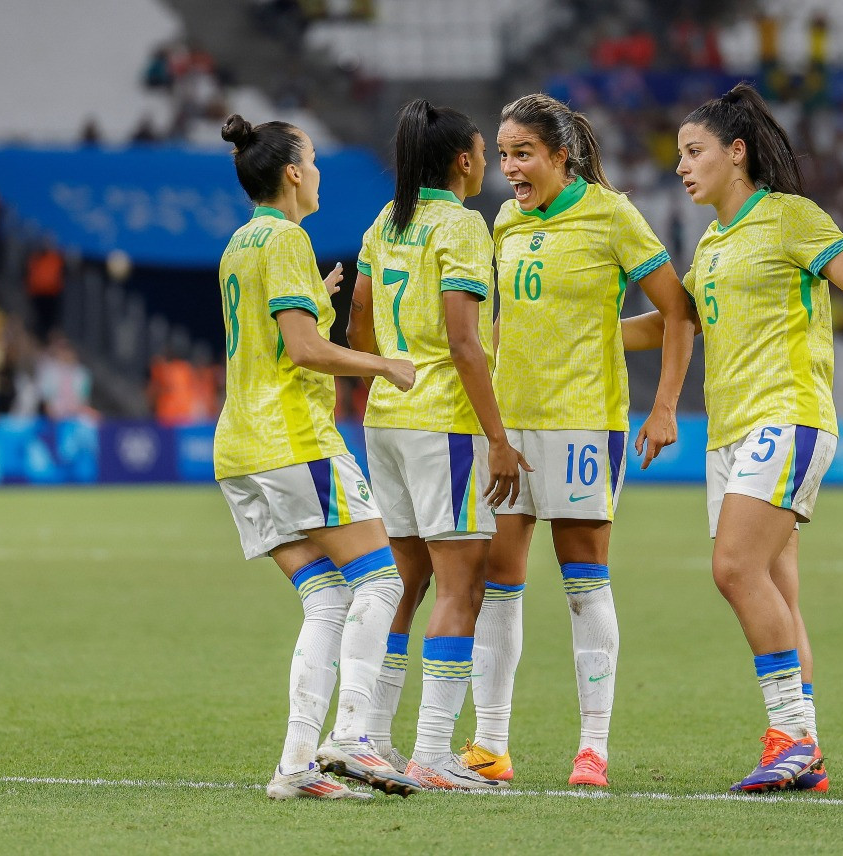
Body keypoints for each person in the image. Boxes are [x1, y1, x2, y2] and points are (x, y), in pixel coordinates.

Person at [624, 82, 843, 793]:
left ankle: (789, 737)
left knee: (733, 569)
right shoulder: (711, 244)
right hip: (729, 433)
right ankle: (807, 751)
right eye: (678, 154)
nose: (680, 166)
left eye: (693, 151)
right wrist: (582, 337)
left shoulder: (791, 218)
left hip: (786, 416)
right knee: (778, 593)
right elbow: (672, 325)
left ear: (736, 154)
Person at [461, 93, 696, 788]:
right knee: (494, 582)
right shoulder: (504, 220)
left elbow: (676, 311)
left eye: (523, 154)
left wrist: (662, 407)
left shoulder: (610, 215)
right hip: (509, 425)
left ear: (562, 156)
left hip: (583, 422)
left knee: (581, 581)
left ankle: (592, 746)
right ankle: (490, 744)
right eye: (502, 155)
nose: (509, 170)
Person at [214, 113, 421, 801]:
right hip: (293, 441)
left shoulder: (242, 243)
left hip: (241, 451)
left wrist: (318, 303)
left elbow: (276, 337)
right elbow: (304, 351)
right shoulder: (286, 239)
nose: (321, 170)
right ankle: (354, 735)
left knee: (328, 599)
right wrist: (381, 364)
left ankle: (296, 767)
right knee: (382, 580)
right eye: (314, 159)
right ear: (294, 172)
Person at [346, 99, 529, 790]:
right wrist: (498, 439)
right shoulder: (460, 225)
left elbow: (358, 318)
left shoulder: (384, 223)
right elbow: (462, 342)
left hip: (385, 418)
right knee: (461, 585)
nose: (489, 162)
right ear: (461, 160)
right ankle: (430, 752)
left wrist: (384, 366)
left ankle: (367, 736)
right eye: (485, 151)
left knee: (405, 581)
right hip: (441, 424)